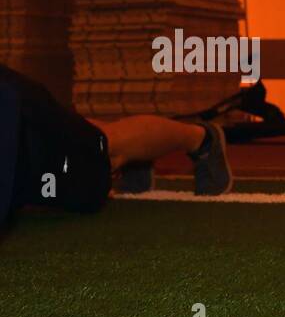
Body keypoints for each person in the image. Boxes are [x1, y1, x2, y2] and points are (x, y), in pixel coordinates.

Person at [0, 65, 232, 225]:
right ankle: (136, 162)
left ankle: (201, 140)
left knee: (106, 146)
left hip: (21, 115)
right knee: (89, 140)